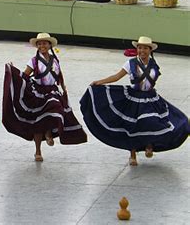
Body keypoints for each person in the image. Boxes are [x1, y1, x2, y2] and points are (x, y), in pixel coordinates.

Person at [80, 36, 189, 166]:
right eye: (139, 47)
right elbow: (117, 76)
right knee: (132, 126)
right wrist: (100, 82)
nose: (142, 50)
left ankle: (149, 145)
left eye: (145, 48)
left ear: (150, 50)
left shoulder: (154, 64)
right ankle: (132, 154)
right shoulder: (130, 63)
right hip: (134, 98)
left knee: (152, 122)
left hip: (150, 98)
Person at [2, 33, 87, 162]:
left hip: (52, 90)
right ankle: (38, 151)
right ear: (37, 46)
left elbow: (59, 74)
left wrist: (63, 88)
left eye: (44, 43)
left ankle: (48, 132)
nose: (42, 45)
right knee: (39, 121)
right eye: (39, 43)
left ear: (49, 45)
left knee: (56, 109)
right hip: (38, 91)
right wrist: (14, 73)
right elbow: (25, 75)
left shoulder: (55, 59)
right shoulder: (33, 61)